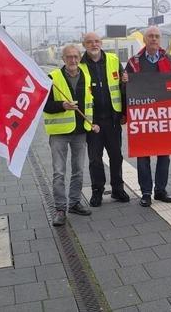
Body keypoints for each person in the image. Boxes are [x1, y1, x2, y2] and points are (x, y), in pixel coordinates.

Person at [126, 25, 171, 207]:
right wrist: (125, 81)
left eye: (157, 36)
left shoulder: (170, 60)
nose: (154, 39)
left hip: (163, 115)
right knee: (143, 155)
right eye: (151, 36)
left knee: (164, 154)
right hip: (143, 116)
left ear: (160, 40)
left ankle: (161, 190)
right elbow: (126, 89)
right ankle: (146, 192)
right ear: (145, 39)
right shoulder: (134, 62)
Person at [43, 44, 97, 226]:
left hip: (80, 131)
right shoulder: (53, 78)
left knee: (79, 170)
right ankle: (60, 208)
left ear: (79, 57)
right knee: (59, 172)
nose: (73, 60)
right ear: (63, 59)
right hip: (59, 133)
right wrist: (62, 106)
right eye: (69, 57)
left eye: (75, 56)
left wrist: (93, 123)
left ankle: (74, 203)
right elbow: (45, 106)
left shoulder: (87, 76)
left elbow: (91, 103)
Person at [80, 32, 129, 207]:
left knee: (116, 156)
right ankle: (97, 191)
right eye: (90, 42)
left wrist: (125, 112)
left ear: (101, 43)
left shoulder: (114, 61)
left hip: (112, 119)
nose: (94, 44)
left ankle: (117, 189)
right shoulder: (80, 64)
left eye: (97, 41)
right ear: (84, 44)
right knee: (95, 159)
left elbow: (124, 88)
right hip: (92, 121)